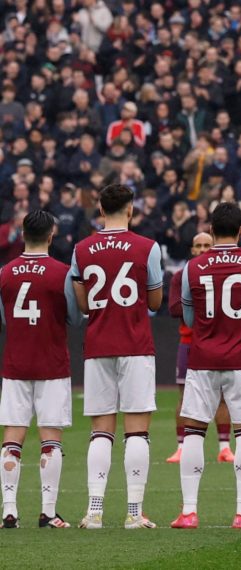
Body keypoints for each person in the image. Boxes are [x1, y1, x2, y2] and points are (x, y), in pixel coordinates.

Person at [71, 183, 163, 529]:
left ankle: (94, 511)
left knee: (100, 431)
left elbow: (82, 304)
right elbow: (155, 301)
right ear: (131, 209)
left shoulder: (81, 249)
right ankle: (134, 513)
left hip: (97, 345)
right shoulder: (147, 247)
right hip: (135, 344)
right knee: (136, 431)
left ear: (100, 210)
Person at [171, 203, 241, 530]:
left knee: (194, 431)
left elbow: (188, 318)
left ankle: (189, 512)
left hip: (203, 357)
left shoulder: (193, 267)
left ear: (211, 231)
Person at [0, 210, 83, 529]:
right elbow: (74, 317)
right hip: (52, 362)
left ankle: (9, 510)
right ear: (51, 235)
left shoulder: (5, 272)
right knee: (50, 439)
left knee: (12, 436)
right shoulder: (62, 273)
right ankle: (48, 512)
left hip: (16, 363)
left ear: (23, 234)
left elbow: (5, 318)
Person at [166, 232, 235, 465]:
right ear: (192, 249)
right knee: (185, 395)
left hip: (217, 340)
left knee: (222, 395)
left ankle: (224, 447)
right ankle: (181, 448)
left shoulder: (223, 274)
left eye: (208, 245)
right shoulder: (181, 276)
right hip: (190, 342)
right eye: (199, 246)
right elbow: (174, 308)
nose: (203, 249)